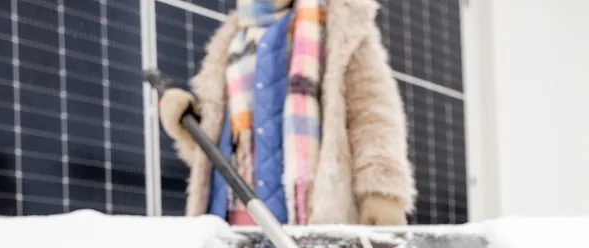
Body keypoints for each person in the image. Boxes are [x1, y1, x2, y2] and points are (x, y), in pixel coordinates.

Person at [158, 0, 415, 227]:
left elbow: (372, 114)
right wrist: (185, 126)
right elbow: (214, 146)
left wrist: (381, 192)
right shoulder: (230, 40)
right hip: (229, 218)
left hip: (311, 216)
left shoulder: (341, 24)